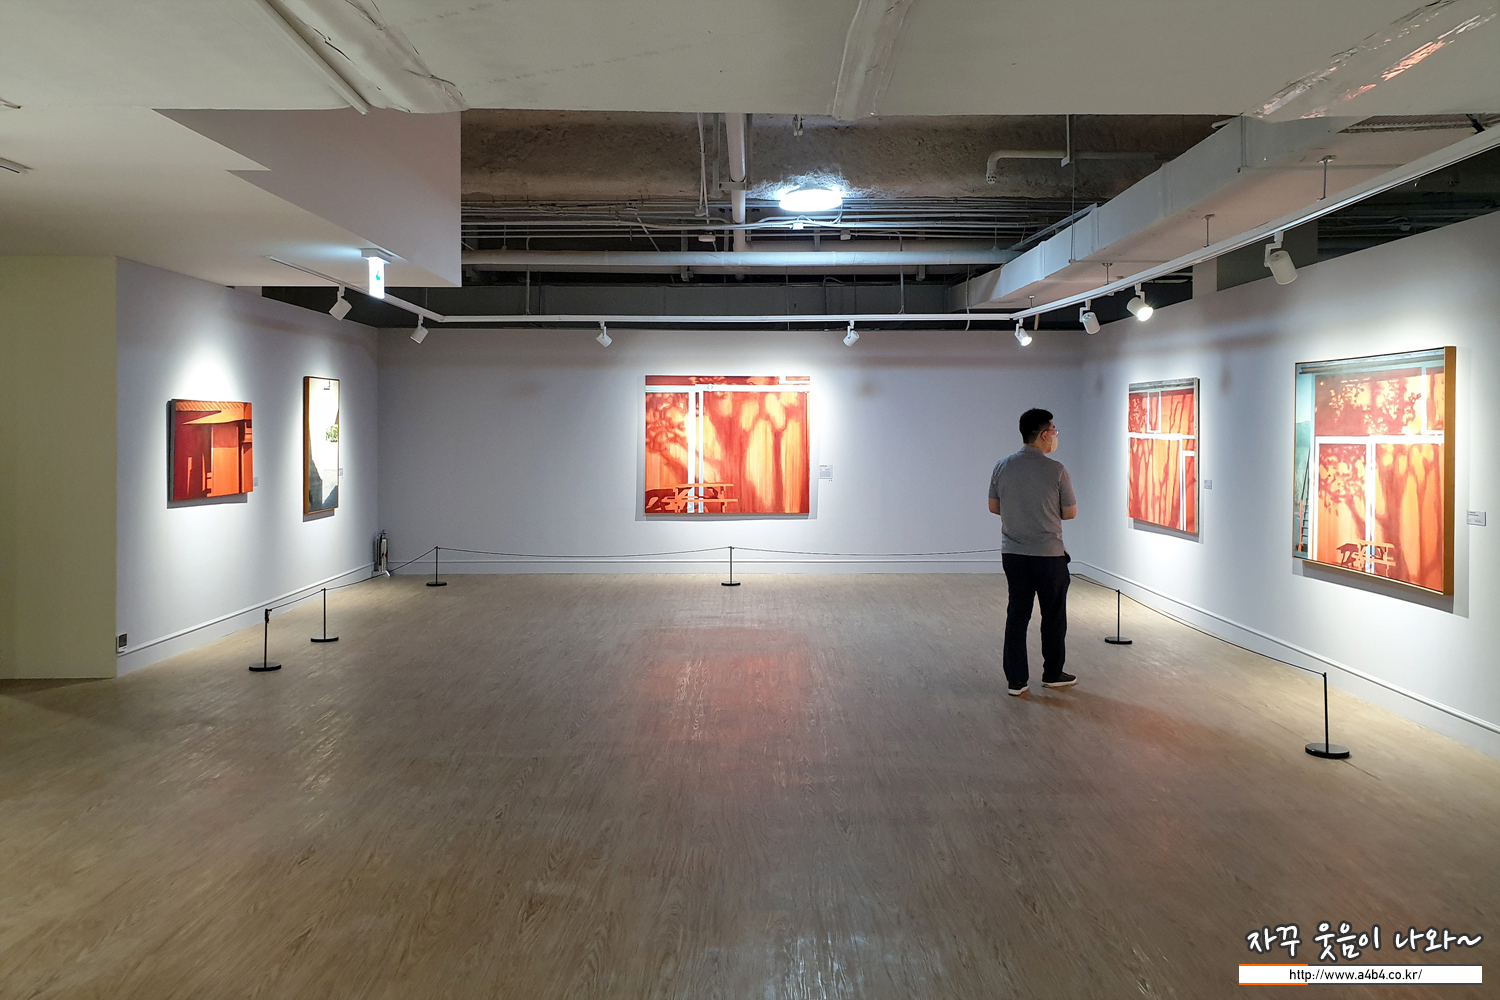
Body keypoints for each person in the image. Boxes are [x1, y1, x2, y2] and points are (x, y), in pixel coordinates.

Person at [987, 408, 1078, 696]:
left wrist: (1020, 512)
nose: (1055, 435)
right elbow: (1070, 512)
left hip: (1013, 554)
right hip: (1049, 556)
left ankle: (1016, 680)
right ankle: (1052, 673)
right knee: (1053, 616)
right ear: (1043, 435)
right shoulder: (1057, 470)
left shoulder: (1002, 466)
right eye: (1053, 430)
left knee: (1017, 615)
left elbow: (993, 506)